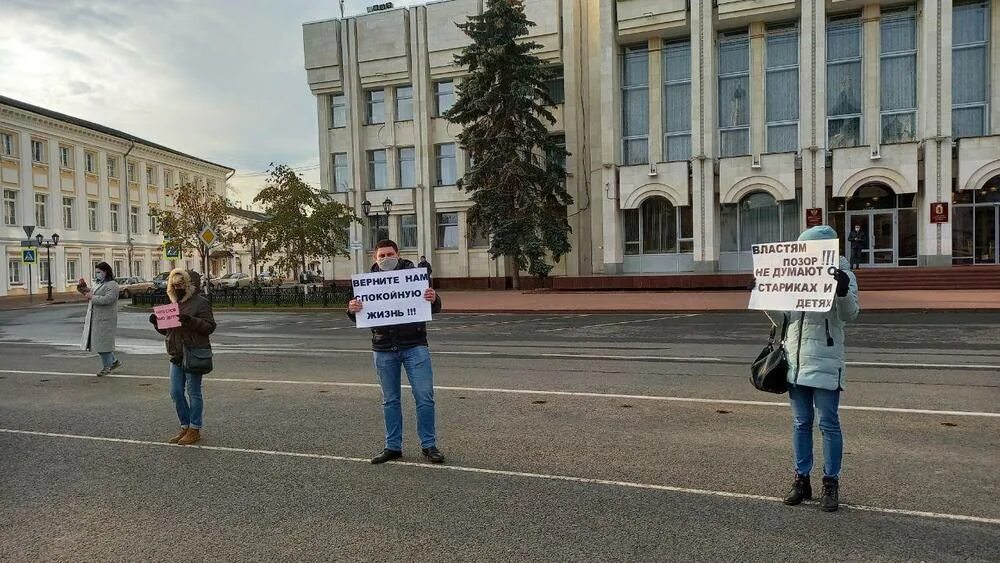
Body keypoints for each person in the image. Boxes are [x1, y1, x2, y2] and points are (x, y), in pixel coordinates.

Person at [771, 225, 860, 512]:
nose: (805, 254)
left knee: (829, 424)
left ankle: (830, 482)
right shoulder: (795, 274)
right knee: (800, 424)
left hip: (825, 360)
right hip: (795, 361)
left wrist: (843, 291)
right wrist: (765, 295)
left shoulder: (844, 274)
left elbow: (850, 315)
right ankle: (801, 480)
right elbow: (784, 319)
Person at [347, 239, 444, 465]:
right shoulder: (366, 282)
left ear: (398, 254)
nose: (385, 259)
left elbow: (434, 306)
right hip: (383, 348)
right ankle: (393, 446)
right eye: (381, 256)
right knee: (390, 400)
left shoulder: (414, 276)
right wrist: (352, 310)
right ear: (375, 258)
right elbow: (357, 312)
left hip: (415, 345)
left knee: (425, 397)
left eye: (389, 254)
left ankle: (429, 445)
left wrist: (433, 298)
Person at [149, 268, 217, 446]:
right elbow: (167, 332)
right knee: (176, 393)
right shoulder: (172, 304)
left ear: (187, 285)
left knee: (193, 392)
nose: (177, 287)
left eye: (180, 285)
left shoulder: (200, 303)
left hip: (193, 351)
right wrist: (157, 323)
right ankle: (184, 425)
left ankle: (194, 428)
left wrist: (191, 321)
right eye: (174, 285)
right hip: (176, 353)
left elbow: (210, 327)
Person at [78, 262, 121, 377]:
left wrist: (93, 297)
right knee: (100, 343)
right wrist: (82, 288)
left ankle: (107, 367)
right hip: (97, 318)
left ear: (106, 272)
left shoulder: (112, 285)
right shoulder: (98, 283)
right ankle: (113, 361)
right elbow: (91, 293)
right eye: (96, 272)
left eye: (99, 272)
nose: (97, 274)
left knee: (102, 345)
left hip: (106, 319)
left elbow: (108, 299)